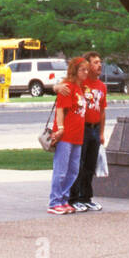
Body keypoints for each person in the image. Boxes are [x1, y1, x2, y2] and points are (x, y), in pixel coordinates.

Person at [57, 51, 107, 212]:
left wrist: (101, 133)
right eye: (95, 62)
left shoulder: (102, 86)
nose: (99, 65)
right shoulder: (79, 84)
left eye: (100, 62)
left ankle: (86, 197)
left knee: (90, 166)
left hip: (95, 129)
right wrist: (57, 86)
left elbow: (103, 111)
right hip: (81, 129)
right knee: (77, 165)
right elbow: (60, 87)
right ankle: (73, 198)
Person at [47, 57, 89, 214]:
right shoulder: (67, 87)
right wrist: (61, 128)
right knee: (61, 169)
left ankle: (64, 199)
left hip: (78, 135)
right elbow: (60, 110)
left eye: (86, 69)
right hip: (66, 135)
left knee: (73, 171)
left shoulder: (80, 88)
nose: (85, 72)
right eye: (82, 70)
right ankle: (54, 201)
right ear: (75, 71)